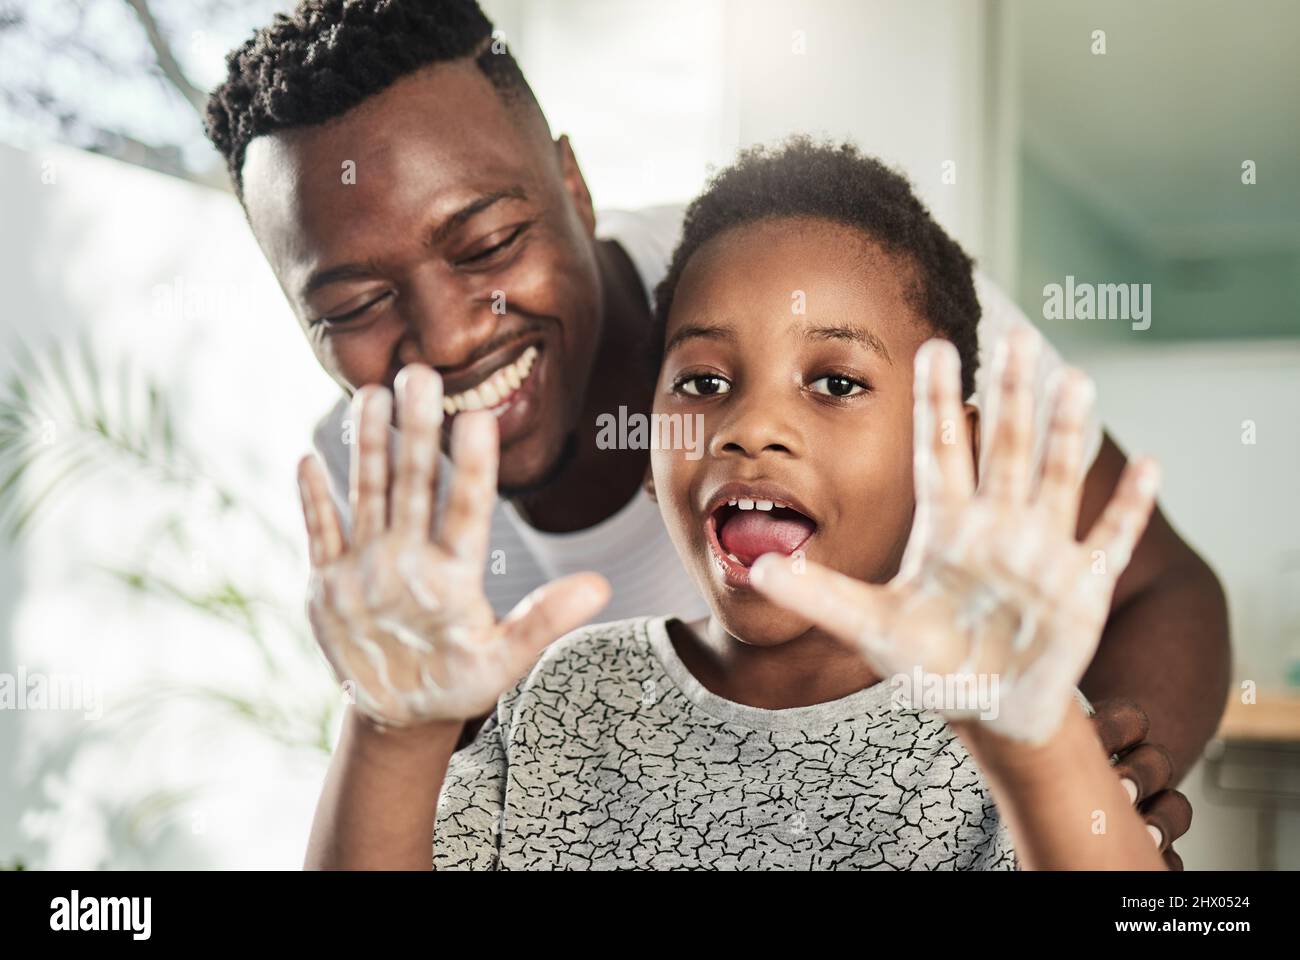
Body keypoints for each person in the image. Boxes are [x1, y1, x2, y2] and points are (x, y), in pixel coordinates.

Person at [205, 0, 1213, 861]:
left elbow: (1161, 590)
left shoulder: (826, 269)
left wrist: (1081, 791)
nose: (448, 335)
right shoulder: (373, 494)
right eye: (351, 306)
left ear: (573, 184)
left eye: (488, 243)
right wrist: (388, 737)